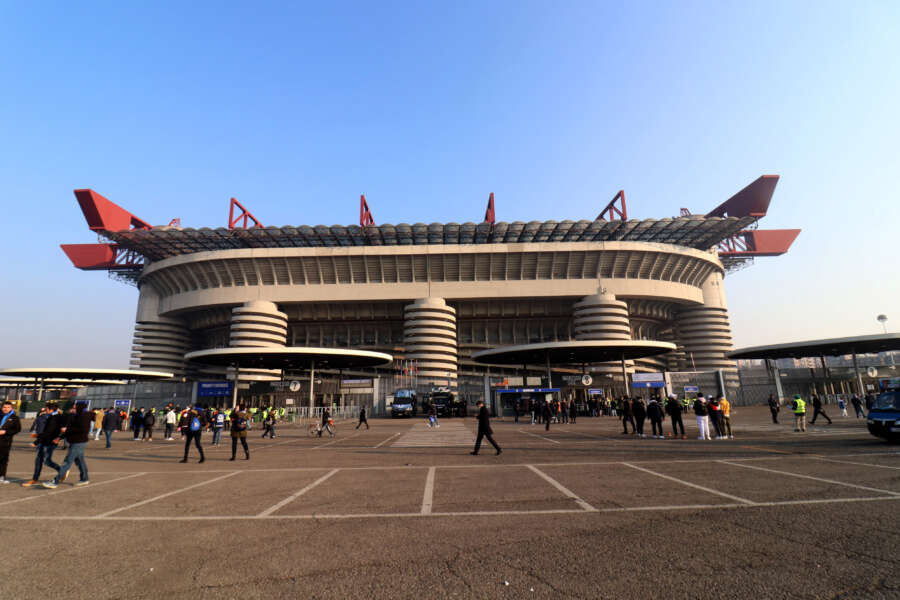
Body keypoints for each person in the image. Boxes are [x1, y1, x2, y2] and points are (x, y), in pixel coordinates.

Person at [43, 401, 93, 488]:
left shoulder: (84, 417)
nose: (72, 409)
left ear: (79, 408)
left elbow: (82, 430)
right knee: (80, 461)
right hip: (75, 441)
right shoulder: (75, 416)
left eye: (74, 408)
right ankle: (84, 478)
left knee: (67, 462)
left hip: (79, 442)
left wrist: (67, 430)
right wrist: (60, 437)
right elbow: (70, 429)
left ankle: (55, 481)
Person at [23, 402, 63, 487]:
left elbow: (48, 432)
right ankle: (35, 479)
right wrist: (38, 436)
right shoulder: (54, 417)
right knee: (38, 461)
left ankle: (62, 470)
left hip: (49, 442)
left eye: (46, 409)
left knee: (47, 461)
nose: (45, 410)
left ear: (50, 409)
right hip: (44, 441)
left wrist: (36, 442)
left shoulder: (54, 418)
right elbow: (47, 431)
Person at [0, 401, 22, 484]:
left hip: (5, 442)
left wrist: (5, 432)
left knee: (3, 460)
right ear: (2, 408)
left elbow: (17, 429)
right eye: (4, 407)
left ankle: (1, 477)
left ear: (11, 408)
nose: (6, 409)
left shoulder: (15, 418)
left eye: (8, 407)